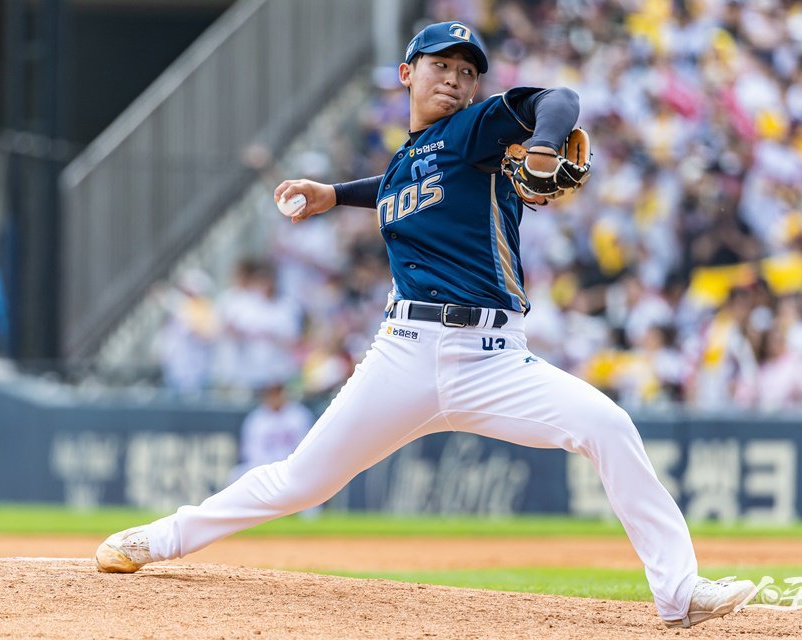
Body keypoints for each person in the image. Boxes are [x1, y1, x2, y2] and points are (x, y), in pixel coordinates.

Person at [94, 21, 755, 629]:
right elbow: (396, 181)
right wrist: (334, 195)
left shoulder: (474, 134)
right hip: (404, 355)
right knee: (301, 480)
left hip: (493, 358)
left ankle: (678, 593)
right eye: (441, 64)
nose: (456, 79)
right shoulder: (410, 160)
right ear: (408, 73)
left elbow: (558, 98)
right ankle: (159, 539)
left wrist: (546, 146)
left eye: (468, 71)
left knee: (608, 426)